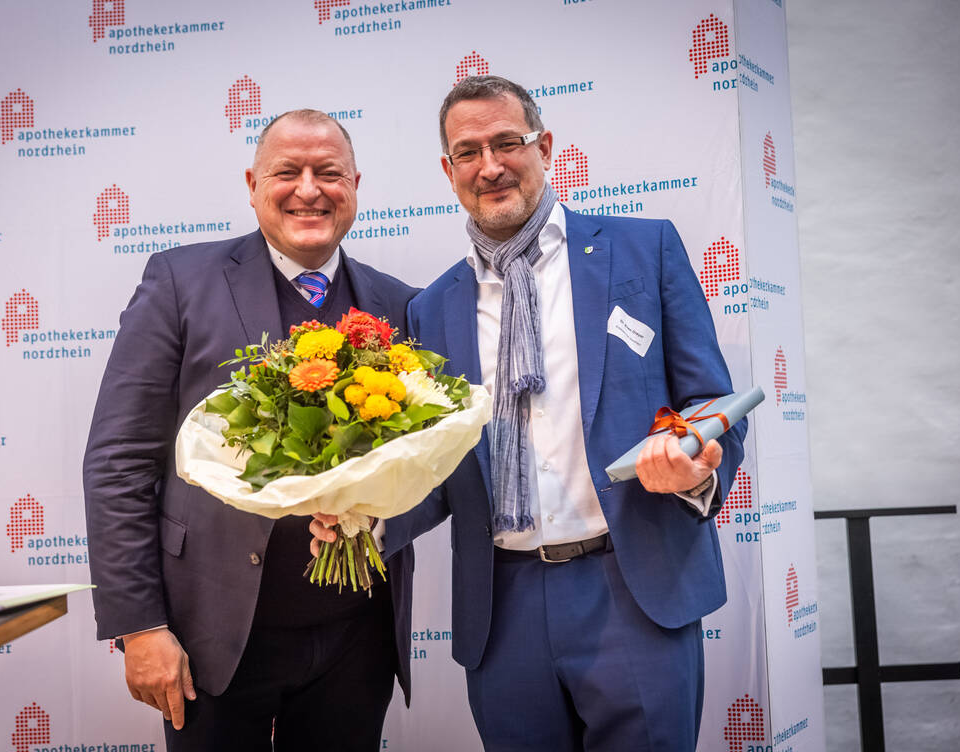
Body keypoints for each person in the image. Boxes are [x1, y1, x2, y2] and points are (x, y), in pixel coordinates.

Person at [312, 76, 746, 751]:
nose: (490, 166)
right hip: (502, 607)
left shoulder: (643, 249)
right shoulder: (433, 309)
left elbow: (711, 402)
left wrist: (693, 467)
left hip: (632, 589)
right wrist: (361, 516)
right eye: (468, 152)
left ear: (545, 147)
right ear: (448, 171)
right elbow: (438, 469)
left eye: (507, 143)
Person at [84, 109, 415, 752]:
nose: (309, 189)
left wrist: (378, 520)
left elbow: (427, 470)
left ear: (355, 184)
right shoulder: (181, 281)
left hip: (356, 637)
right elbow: (119, 460)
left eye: (328, 172)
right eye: (287, 172)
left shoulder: (398, 304)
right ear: (252, 183)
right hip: (213, 636)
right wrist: (139, 625)